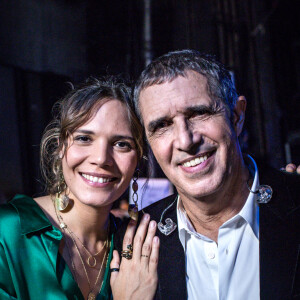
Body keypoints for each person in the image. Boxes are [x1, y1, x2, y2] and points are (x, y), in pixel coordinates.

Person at [114, 50, 300, 299]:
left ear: (236, 116)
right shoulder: (133, 245)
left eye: (199, 113)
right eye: (162, 125)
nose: (185, 140)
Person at [0, 77, 159, 300]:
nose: (101, 158)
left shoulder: (134, 247)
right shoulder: (7, 233)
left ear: (138, 160)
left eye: (121, 144)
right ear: (59, 147)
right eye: (84, 138)